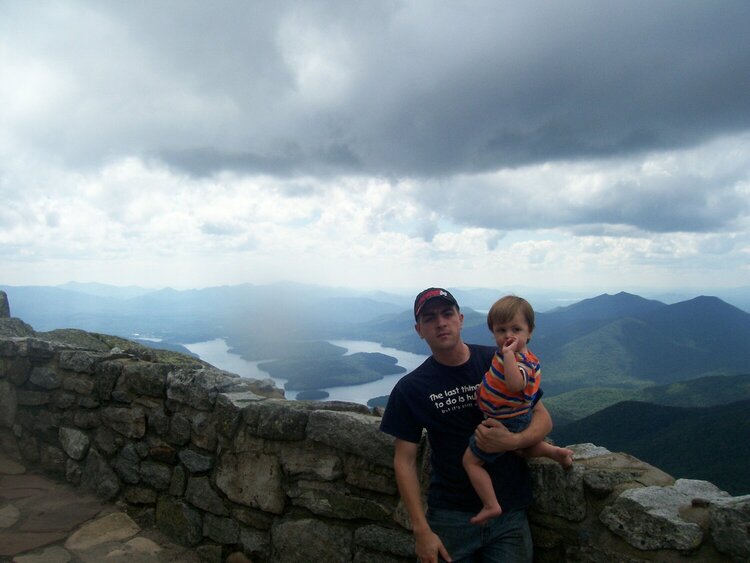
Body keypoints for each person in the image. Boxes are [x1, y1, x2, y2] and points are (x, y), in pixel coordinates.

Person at [380, 288, 554, 563]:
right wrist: (421, 531)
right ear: (419, 329)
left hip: (509, 514)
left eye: (447, 314)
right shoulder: (410, 388)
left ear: (461, 319)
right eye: (430, 318)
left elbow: (543, 418)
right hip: (451, 518)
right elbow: (404, 460)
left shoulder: (496, 361)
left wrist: (514, 441)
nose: (441, 322)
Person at [463, 295, 574, 526]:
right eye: (501, 330)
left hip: (509, 421)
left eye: (516, 329)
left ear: (529, 332)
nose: (508, 335)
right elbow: (496, 381)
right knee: (523, 449)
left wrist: (508, 355)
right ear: (493, 332)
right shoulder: (510, 356)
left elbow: (514, 384)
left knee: (470, 462)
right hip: (515, 420)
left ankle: (490, 504)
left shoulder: (519, 360)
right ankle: (556, 453)